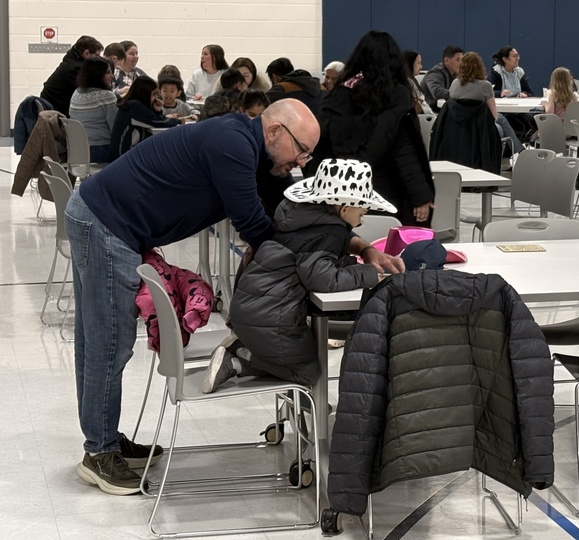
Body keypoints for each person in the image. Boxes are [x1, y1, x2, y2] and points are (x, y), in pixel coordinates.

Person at [65, 99, 349, 496]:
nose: (303, 162)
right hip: (106, 223)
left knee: (98, 341)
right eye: (301, 150)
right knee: (107, 344)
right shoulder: (233, 145)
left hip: (103, 218)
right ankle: (99, 451)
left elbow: (288, 207)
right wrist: (301, 259)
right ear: (274, 131)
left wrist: (347, 239)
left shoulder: (254, 152)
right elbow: (252, 221)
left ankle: (104, 439)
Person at [203, 159, 402, 393]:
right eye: (362, 212)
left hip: (252, 309)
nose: (361, 220)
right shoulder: (330, 232)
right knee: (307, 372)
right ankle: (238, 358)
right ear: (344, 209)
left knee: (303, 356)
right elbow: (322, 279)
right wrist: (368, 273)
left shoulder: (303, 218)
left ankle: (244, 348)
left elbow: (315, 253)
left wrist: (363, 252)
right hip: (271, 318)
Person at [310, 30, 435, 226]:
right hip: (385, 193)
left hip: (340, 193)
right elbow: (405, 151)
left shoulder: (340, 93)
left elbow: (321, 144)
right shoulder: (397, 95)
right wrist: (420, 196)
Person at [449, 51, 523, 153]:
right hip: (479, 124)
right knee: (500, 123)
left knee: (501, 119)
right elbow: (493, 116)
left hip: (457, 122)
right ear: (480, 67)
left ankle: (518, 150)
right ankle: (519, 151)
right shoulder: (485, 86)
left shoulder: (454, 84)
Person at [107, 77, 180, 161]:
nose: (155, 98)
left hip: (126, 154)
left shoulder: (132, 104)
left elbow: (155, 119)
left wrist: (157, 110)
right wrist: (179, 121)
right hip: (122, 158)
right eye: (153, 95)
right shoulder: (134, 107)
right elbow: (157, 122)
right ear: (145, 94)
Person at [69, 57, 118, 163]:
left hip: (78, 151)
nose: (112, 76)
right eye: (108, 73)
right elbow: (116, 129)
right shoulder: (107, 96)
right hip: (101, 150)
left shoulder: (76, 93)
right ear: (97, 75)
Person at [41, 35, 104, 116]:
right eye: (97, 55)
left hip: (51, 106)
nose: (98, 59)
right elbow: (86, 93)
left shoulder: (70, 61)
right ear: (86, 53)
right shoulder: (76, 69)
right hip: (57, 111)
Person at [420, 45, 463, 112]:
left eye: (462, 60)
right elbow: (437, 93)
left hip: (445, 110)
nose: (461, 63)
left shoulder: (456, 73)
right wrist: (461, 94)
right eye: (458, 60)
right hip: (431, 112)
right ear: (446, 60)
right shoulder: (435, 73)